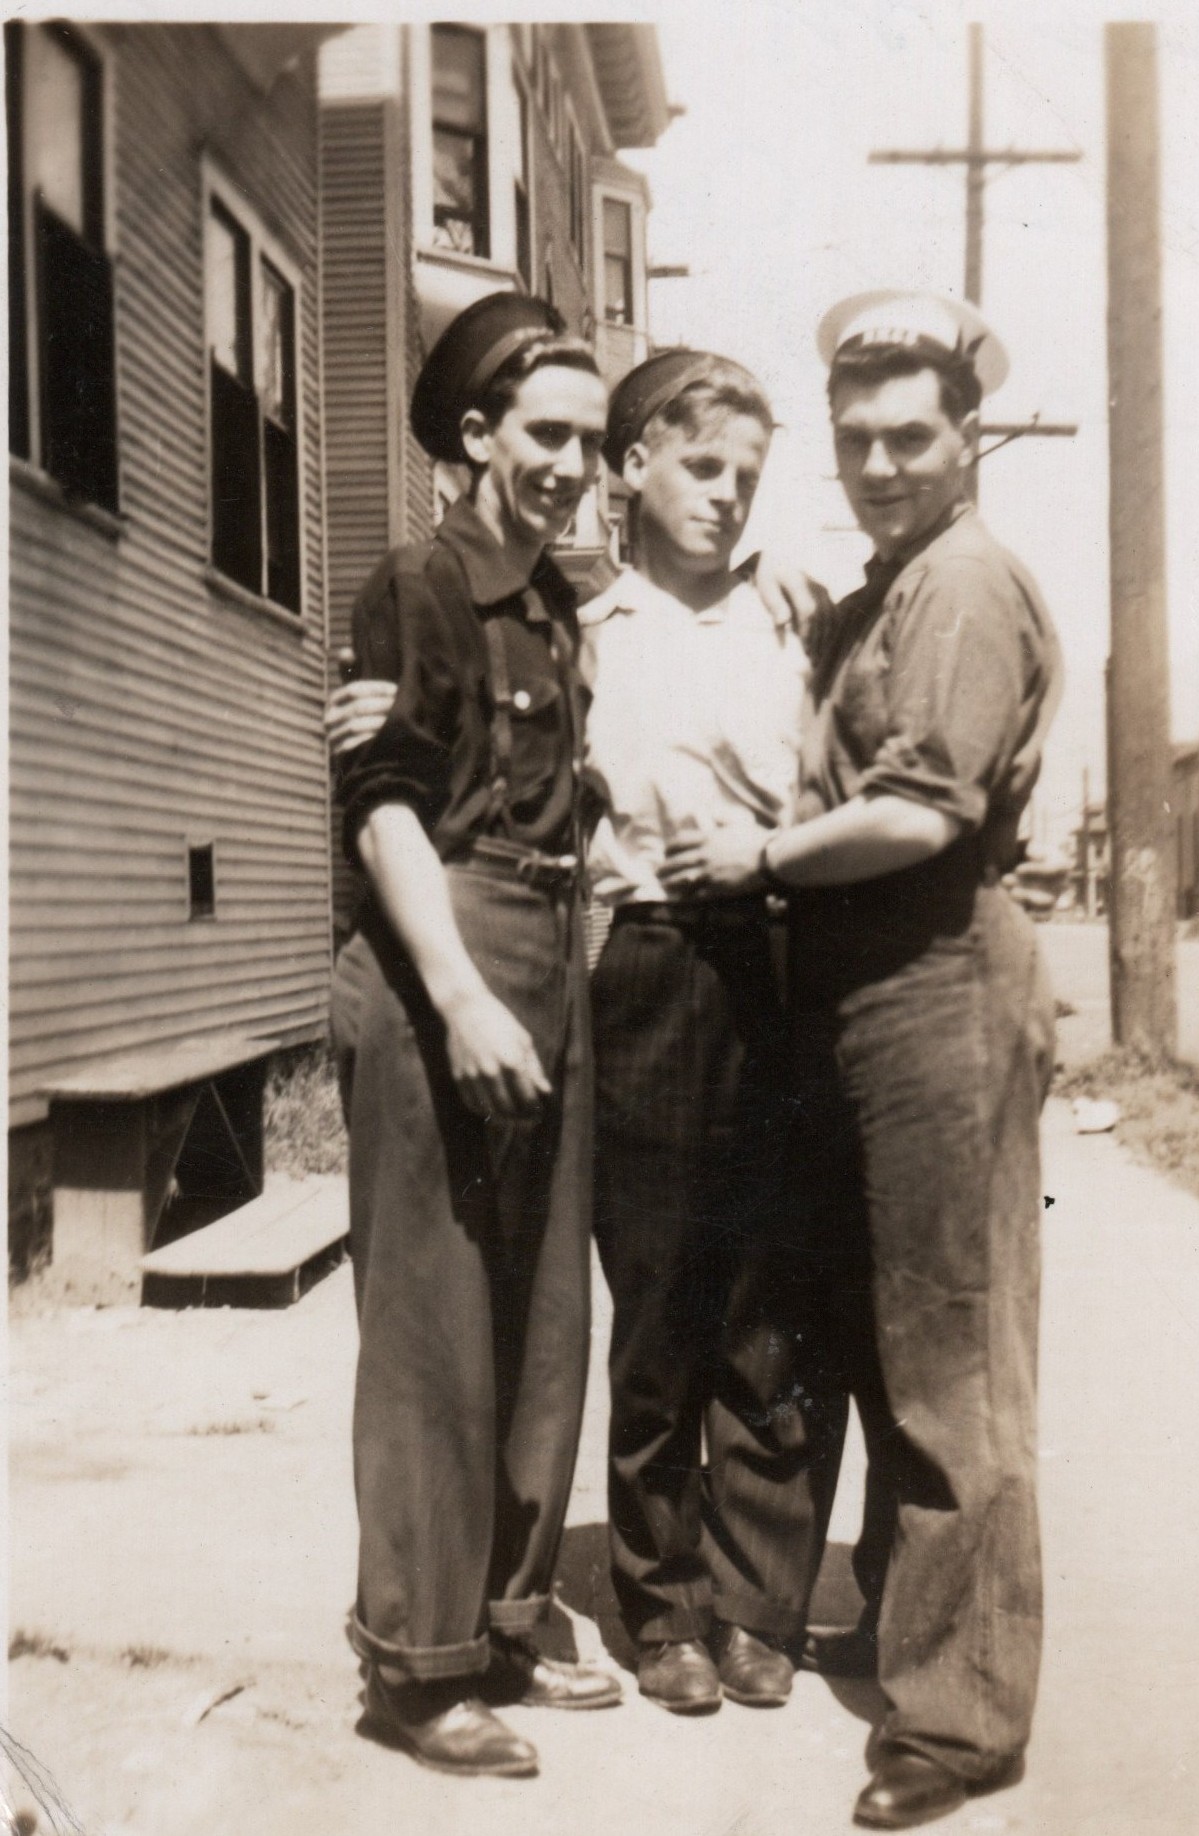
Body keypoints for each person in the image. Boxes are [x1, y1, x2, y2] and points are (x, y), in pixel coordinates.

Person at [752, 292, 1062, 1830]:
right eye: (855, 438)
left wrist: (756, 859)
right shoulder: (886, 592)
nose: (879, 464)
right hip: (865, 983)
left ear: (968, 438)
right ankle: (910, 1626)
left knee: (952, 1355)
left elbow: (923, 810)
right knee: (882, 1346)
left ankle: (961, 1720)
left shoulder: (963, 584)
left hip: (937, 967)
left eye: (910, 437)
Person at [329, 289, 620, 1785]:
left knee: (544, 1315)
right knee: (434, 1328)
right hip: (440, 954)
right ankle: (418, 1665)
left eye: (591, 442)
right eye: (546, 435)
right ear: (475, 435)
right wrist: (458, 998)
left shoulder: (554, 608)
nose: (574, 466)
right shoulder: (420, 585)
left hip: (548, 950)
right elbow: (385, 809)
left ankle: (504, 1619)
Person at [582, 352, 811, 1714]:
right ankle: (664, 1602)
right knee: (661, 1288)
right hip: (655, 963)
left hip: (775, 956)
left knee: (768, 1296)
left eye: (748, 475)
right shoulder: (587, 630)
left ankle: (759, 1599)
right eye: (701, 466)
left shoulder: (793, 621)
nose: (727, 495)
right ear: (632, 466)